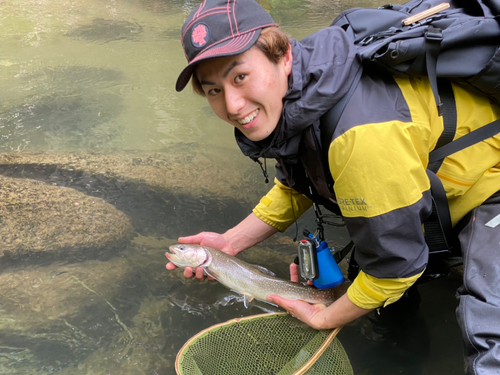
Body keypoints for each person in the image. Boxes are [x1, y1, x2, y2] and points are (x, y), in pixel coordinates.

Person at [166, 0, 500, 373]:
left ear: (284, 57)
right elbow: (297, 186)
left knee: (488, 339)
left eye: (240, 76)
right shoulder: (304, 94)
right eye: (213, 90)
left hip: (492, 185)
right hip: (426, 191)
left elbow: (394, 270)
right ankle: (407, 358)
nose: (232, 104)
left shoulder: (360, 137)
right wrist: (230, 244)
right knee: (379, 296)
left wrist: (324, 317)